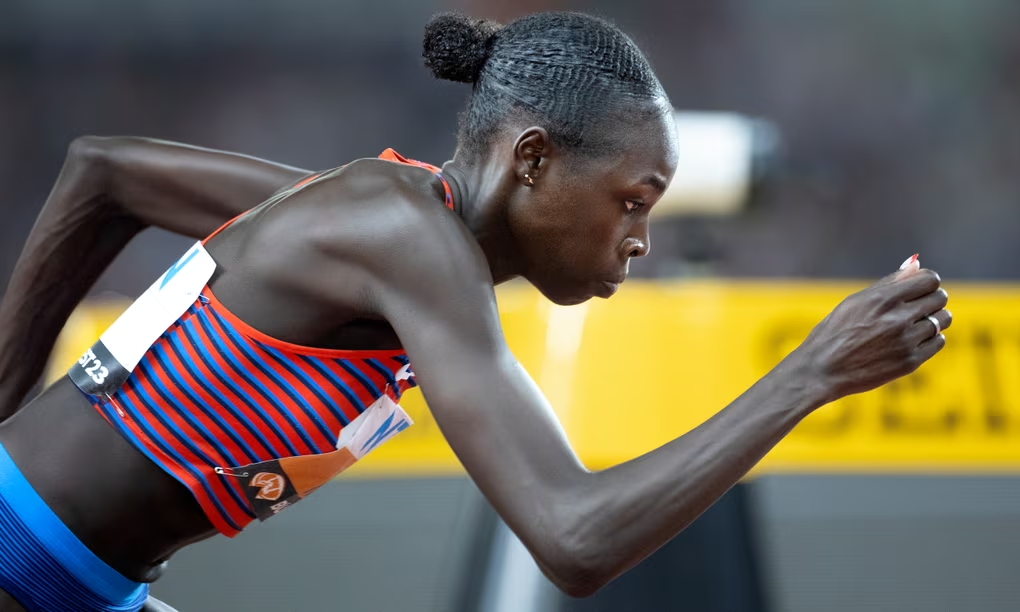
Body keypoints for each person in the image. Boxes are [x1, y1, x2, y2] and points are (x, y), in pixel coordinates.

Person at [0, 11, 951, 612]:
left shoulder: (375, 216)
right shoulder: (406, 238)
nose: (640, 240)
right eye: (632, 199)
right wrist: (809, 375)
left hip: (87, 581)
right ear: (533, 160)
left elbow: (107, 175)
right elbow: (575, 539)